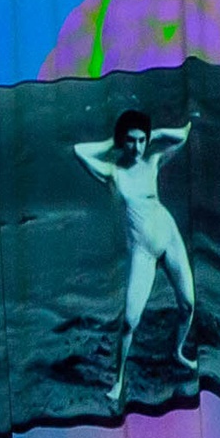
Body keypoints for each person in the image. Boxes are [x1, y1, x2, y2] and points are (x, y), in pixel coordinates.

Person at [73, 105, 199, 407]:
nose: (138, 147)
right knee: (129, 321)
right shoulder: (112, 173)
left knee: (188, 305)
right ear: (121, 140)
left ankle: (177, 351)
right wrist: (113, 142)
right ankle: (117, 380)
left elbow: (181, 137)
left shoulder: (153, 160)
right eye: (131, 140)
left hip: (168, 236)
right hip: (141, 250)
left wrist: (151, 132)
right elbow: (79, 151)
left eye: (142, 140)